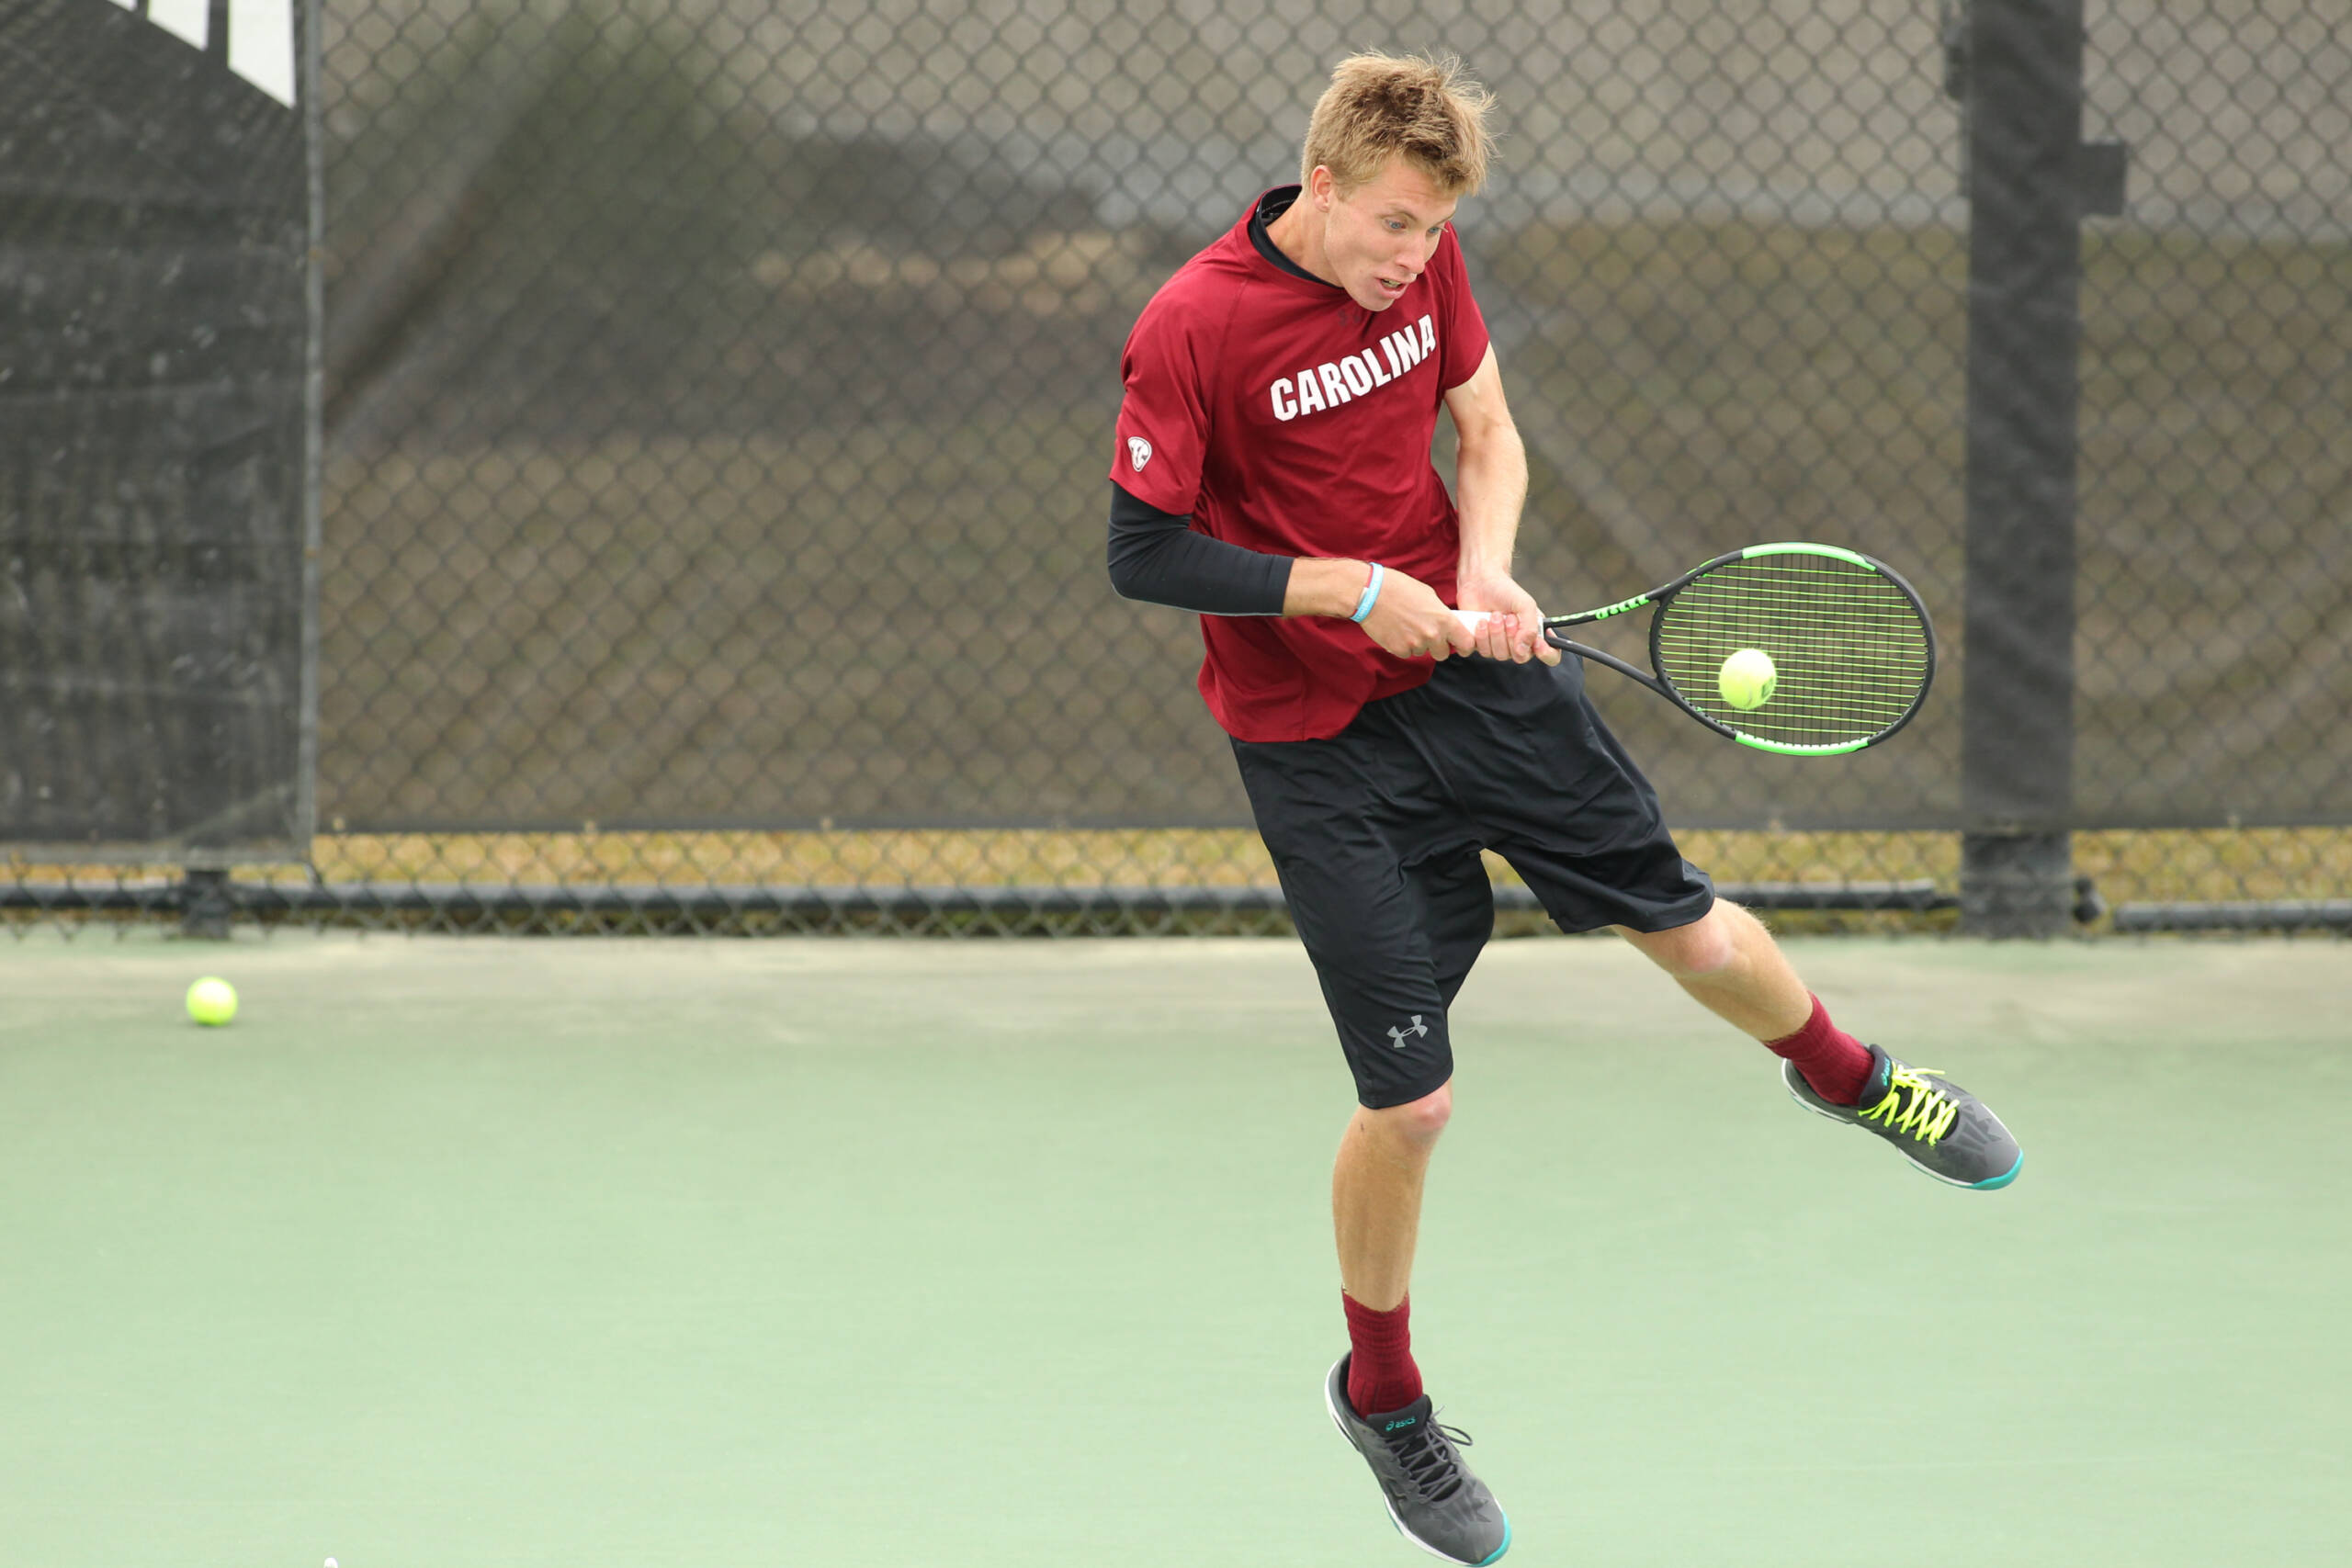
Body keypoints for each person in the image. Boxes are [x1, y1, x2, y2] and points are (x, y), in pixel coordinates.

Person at [1105, 51, 2021, 1567]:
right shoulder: (1194, 324)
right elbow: (1144, 552)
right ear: (1319, 186)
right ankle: (1383, 1394)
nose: (1414, 256)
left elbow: (1489, 439)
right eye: (1394, 223)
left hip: (1477, 683)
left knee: (1693, 935)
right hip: (1311, 739)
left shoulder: (1430, 269)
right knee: (1412, 1101)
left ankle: (1852, 1075)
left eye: (1435, 229)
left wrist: (1479, 572)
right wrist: (1355, 589)